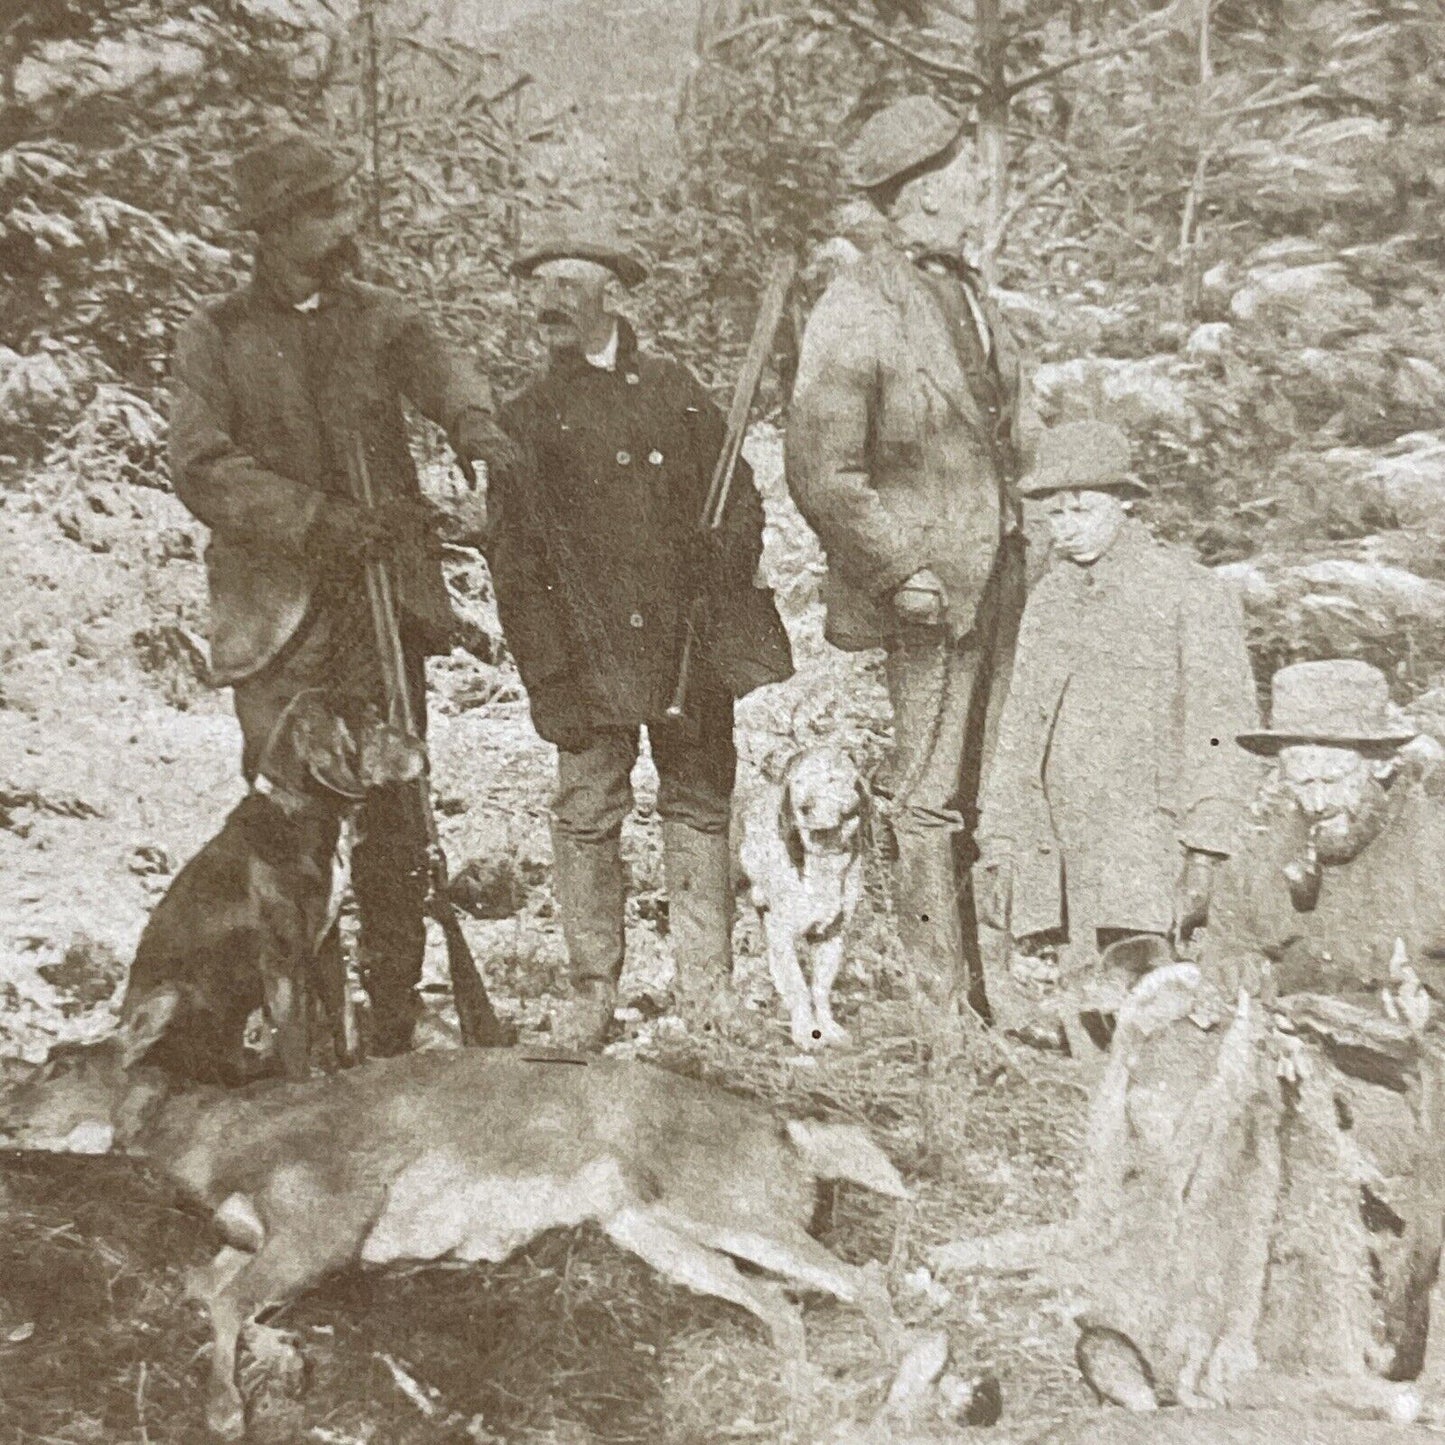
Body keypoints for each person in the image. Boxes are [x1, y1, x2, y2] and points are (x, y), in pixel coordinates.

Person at [168, 128, 515, 1056]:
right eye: (326, 211)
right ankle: (310, 1036)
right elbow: (202, 467)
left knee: (397, 823)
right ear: (273, 230)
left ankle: (393, 1027)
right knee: (292, 844)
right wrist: (316, 518)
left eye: (344, 204)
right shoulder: (216, 335)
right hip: (280, 626)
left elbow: (444, 373)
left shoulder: (383, 317)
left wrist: (478, 428)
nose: (347, 225)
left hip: (379, 613)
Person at [489, 225, 792, 1049]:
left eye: (566, 284)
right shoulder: (521, 415)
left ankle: (706, 992)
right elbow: (512, 560)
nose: (547, 301)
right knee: (585, 811)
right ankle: (591, 994)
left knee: (697, 804)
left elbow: (743, 499)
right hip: (586, 654)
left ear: (610, 296)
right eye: (538, 285)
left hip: (684, 643)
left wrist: (721, 558)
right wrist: (547, 672)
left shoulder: (674, 389)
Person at [785, 95, 1034, 1035]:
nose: (979, 181)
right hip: (932, 594)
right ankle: (940, 1011)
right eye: (964, 169)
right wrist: (901, 572)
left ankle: (991, 992)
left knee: (994, 788)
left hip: (1006, 577)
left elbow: (1012, 435)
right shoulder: (855, 307)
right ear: (921, 193)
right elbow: (821, 471)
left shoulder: (970, 291)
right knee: (929, 798)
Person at [974, 420, 1259, 1051]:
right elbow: (1021, 727)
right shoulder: (1049, 600)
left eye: (1083, 509)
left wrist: (1206, 852)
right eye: (1054, 513)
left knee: (1161, 1033)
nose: (1066, 526)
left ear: (1126, 503)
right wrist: (1001, 838)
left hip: (1147, 857)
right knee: (1083, 1039)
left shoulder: (1188, 593)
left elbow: (1222, 733)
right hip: (1060, 861)